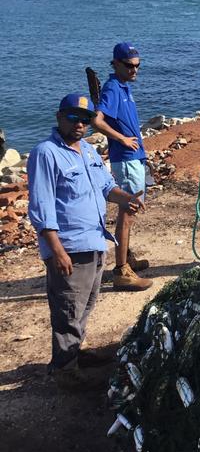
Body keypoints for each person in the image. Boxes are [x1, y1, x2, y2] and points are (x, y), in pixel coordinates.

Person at [27, 94, 147, 390]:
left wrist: (127, 199)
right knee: (67, 308)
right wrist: (56, 249)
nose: (80, 124)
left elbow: (107, 187)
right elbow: (41, 206)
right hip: (69, 247)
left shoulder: (90, 151)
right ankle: (64, 369)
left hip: (95, 241)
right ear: (59, 117)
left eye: (85, 119)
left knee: (86, 304)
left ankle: (75, 353)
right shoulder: (46, 153)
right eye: (73, 117)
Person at [93, 42, 152, 291]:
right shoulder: (113, 88)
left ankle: (126, 257)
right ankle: (121, 271)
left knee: (131, 210)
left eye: (137, 66)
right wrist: (121, 139)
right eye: (129, 66)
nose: (134, 70)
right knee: (128, 211)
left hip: (133, 157)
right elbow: (96, 120)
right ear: (116, 63)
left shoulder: (124, 87)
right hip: (125, 160)